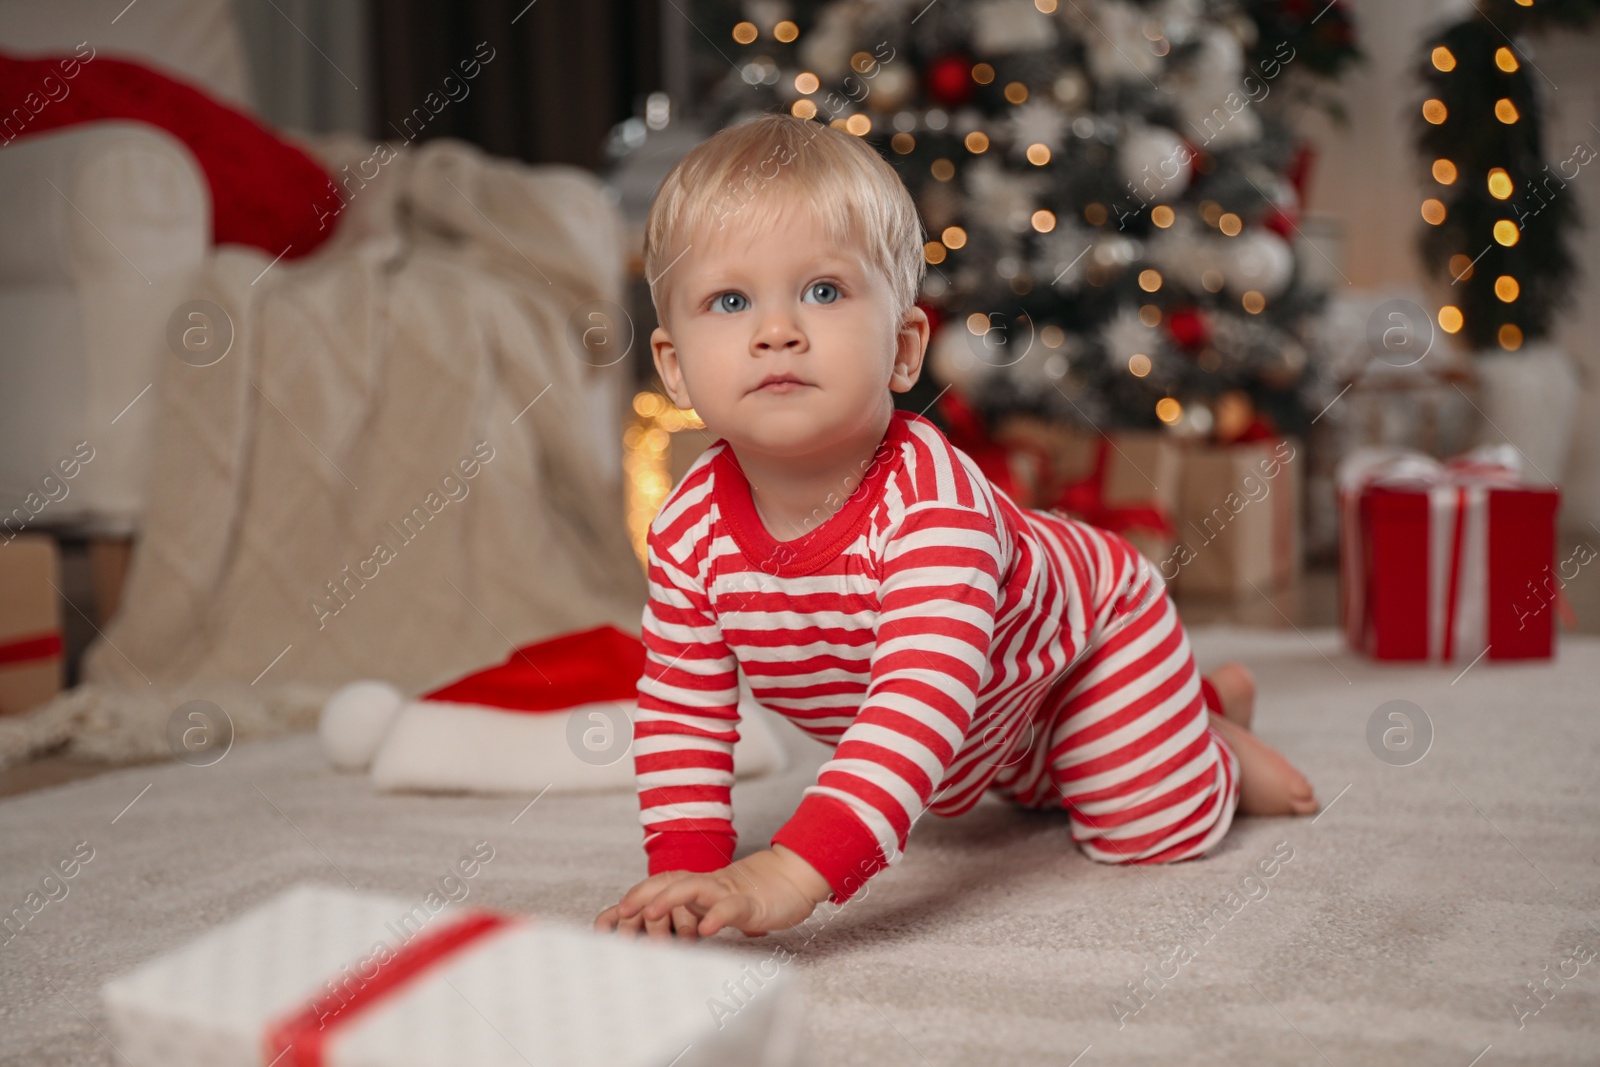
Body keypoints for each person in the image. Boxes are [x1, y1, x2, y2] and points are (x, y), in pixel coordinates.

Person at [593, 113, 1317, 943]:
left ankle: (1205, 748)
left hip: (1093, 634)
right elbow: (683, 705)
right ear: (676, 367)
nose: (777, 329)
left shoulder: (930, 508)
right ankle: (1177, 713)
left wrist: (792, 869)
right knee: (1026, 776)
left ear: (904, 350)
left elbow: (914, 706)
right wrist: (685, 862)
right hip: (994, 713)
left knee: (1143, 827)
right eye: (729, 299)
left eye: (823, 291)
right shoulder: (688, 528)